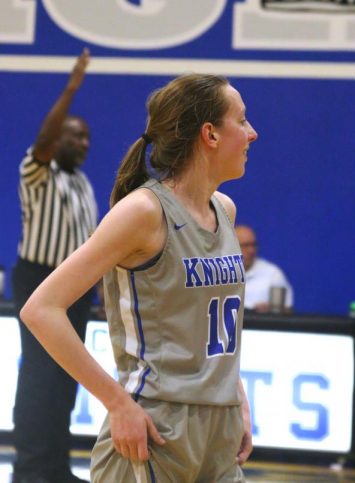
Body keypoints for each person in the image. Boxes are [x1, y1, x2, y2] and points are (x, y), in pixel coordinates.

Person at [19, 73, 259, 480]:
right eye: (242, 119)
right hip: (155, 426)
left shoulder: (225, 209)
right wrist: (117, 403)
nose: (252, 133)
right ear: (210, 135)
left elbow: (211, 327)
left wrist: (237, 399)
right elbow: (41, 309)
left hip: (220, 426)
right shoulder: (144, 212)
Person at [12, 48, 97, 483]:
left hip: (76, 289)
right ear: (54, 138)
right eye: (73, 135)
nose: (81, 142)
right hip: (39, 279)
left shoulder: (82, 183)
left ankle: (55, 467)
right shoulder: (36, 170)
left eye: (85, 137)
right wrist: (72, 87)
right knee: (39, 376)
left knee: (66, 377)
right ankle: (29, 470)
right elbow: (43, 141)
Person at [235, 224, 294, 313]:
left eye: (254, 245)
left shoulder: (272, 274)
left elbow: (289, 310)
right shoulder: (217, 274)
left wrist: (272, 310)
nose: (251, 250)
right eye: (246, 245)